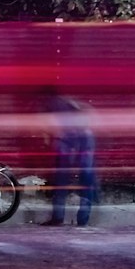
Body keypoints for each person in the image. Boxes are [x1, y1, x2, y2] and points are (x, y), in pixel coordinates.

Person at [42, 89, 97, 228]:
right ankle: (81, 220)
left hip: (77, 138)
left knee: (65, 178)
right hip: (79, 138)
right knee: (83, 179)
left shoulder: (56, 105)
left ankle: (60, 218)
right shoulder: (62, 103)